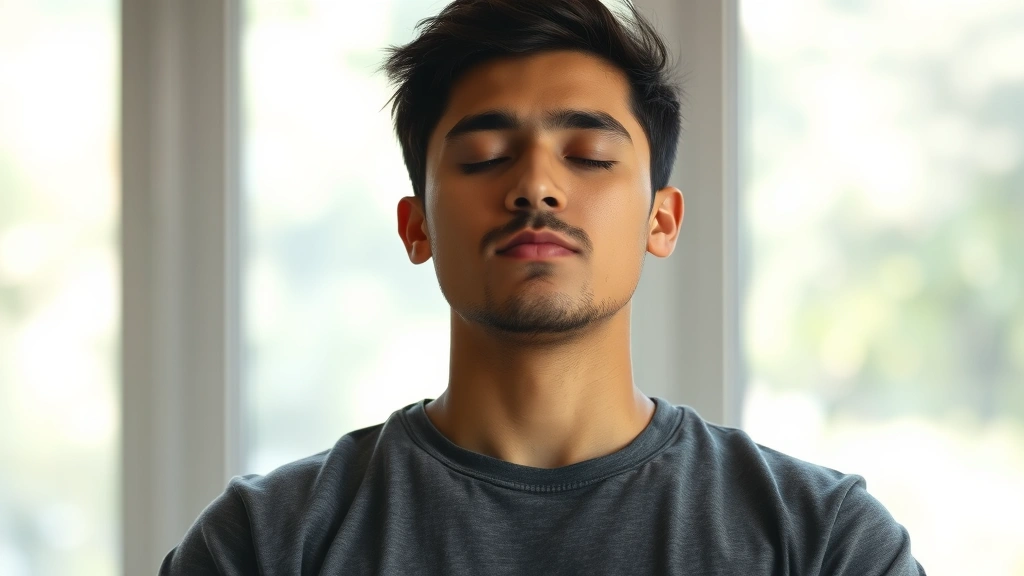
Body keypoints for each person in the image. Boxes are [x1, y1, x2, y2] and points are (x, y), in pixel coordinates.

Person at [160, 1, 926, 574]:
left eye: (589, 154)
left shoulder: (822, 541)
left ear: (661, 221)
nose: (536, 186)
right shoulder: (264, 545)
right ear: (415, 225)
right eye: (486, 154)